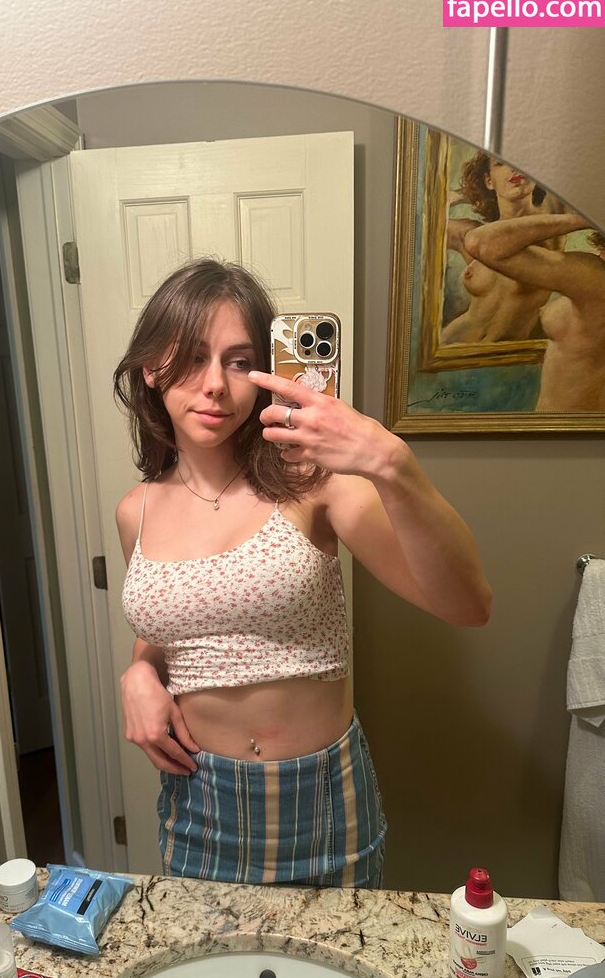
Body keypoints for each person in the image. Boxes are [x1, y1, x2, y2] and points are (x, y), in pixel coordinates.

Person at [113, 259, 491, 887]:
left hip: (323, 802)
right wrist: (140, 672)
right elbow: (171, 627)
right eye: (193, 357)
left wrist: (390, 462)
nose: (215, 385)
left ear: (266, 373)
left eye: (239, 362)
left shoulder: (316, 482)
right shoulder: (137, 511)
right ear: (152, 366)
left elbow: (468, 604)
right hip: (198, 803)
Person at [464, 213, 605, 411]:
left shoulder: (594, 277)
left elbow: (480, 243)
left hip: (568, 425)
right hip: (573, 424)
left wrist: (586, 216)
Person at [442, 153, 562, 345]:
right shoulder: (473, 234)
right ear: (488, 181)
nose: (514, 167)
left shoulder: (552, 227)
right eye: (501, 163)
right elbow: (418, 226)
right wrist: (459, 195)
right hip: (452, 345)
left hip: (507, 357)